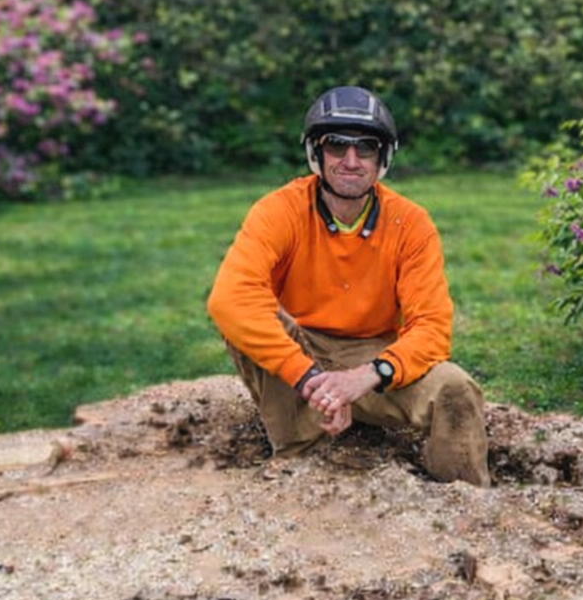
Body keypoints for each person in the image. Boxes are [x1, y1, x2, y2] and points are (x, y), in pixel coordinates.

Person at [207, 85, 491, 487]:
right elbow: (230, 300)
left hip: (373, 351)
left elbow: (432, 327)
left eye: (367, 148)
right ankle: (298, 455)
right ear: (315, 154)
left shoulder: (411, 224)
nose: (351, 161)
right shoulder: (279, 210)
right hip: (299, 346)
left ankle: (466, 500)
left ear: (384, 157)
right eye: (337, 146)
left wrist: (367, 376)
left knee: (456, 389)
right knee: (250, 313)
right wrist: (311, 381)